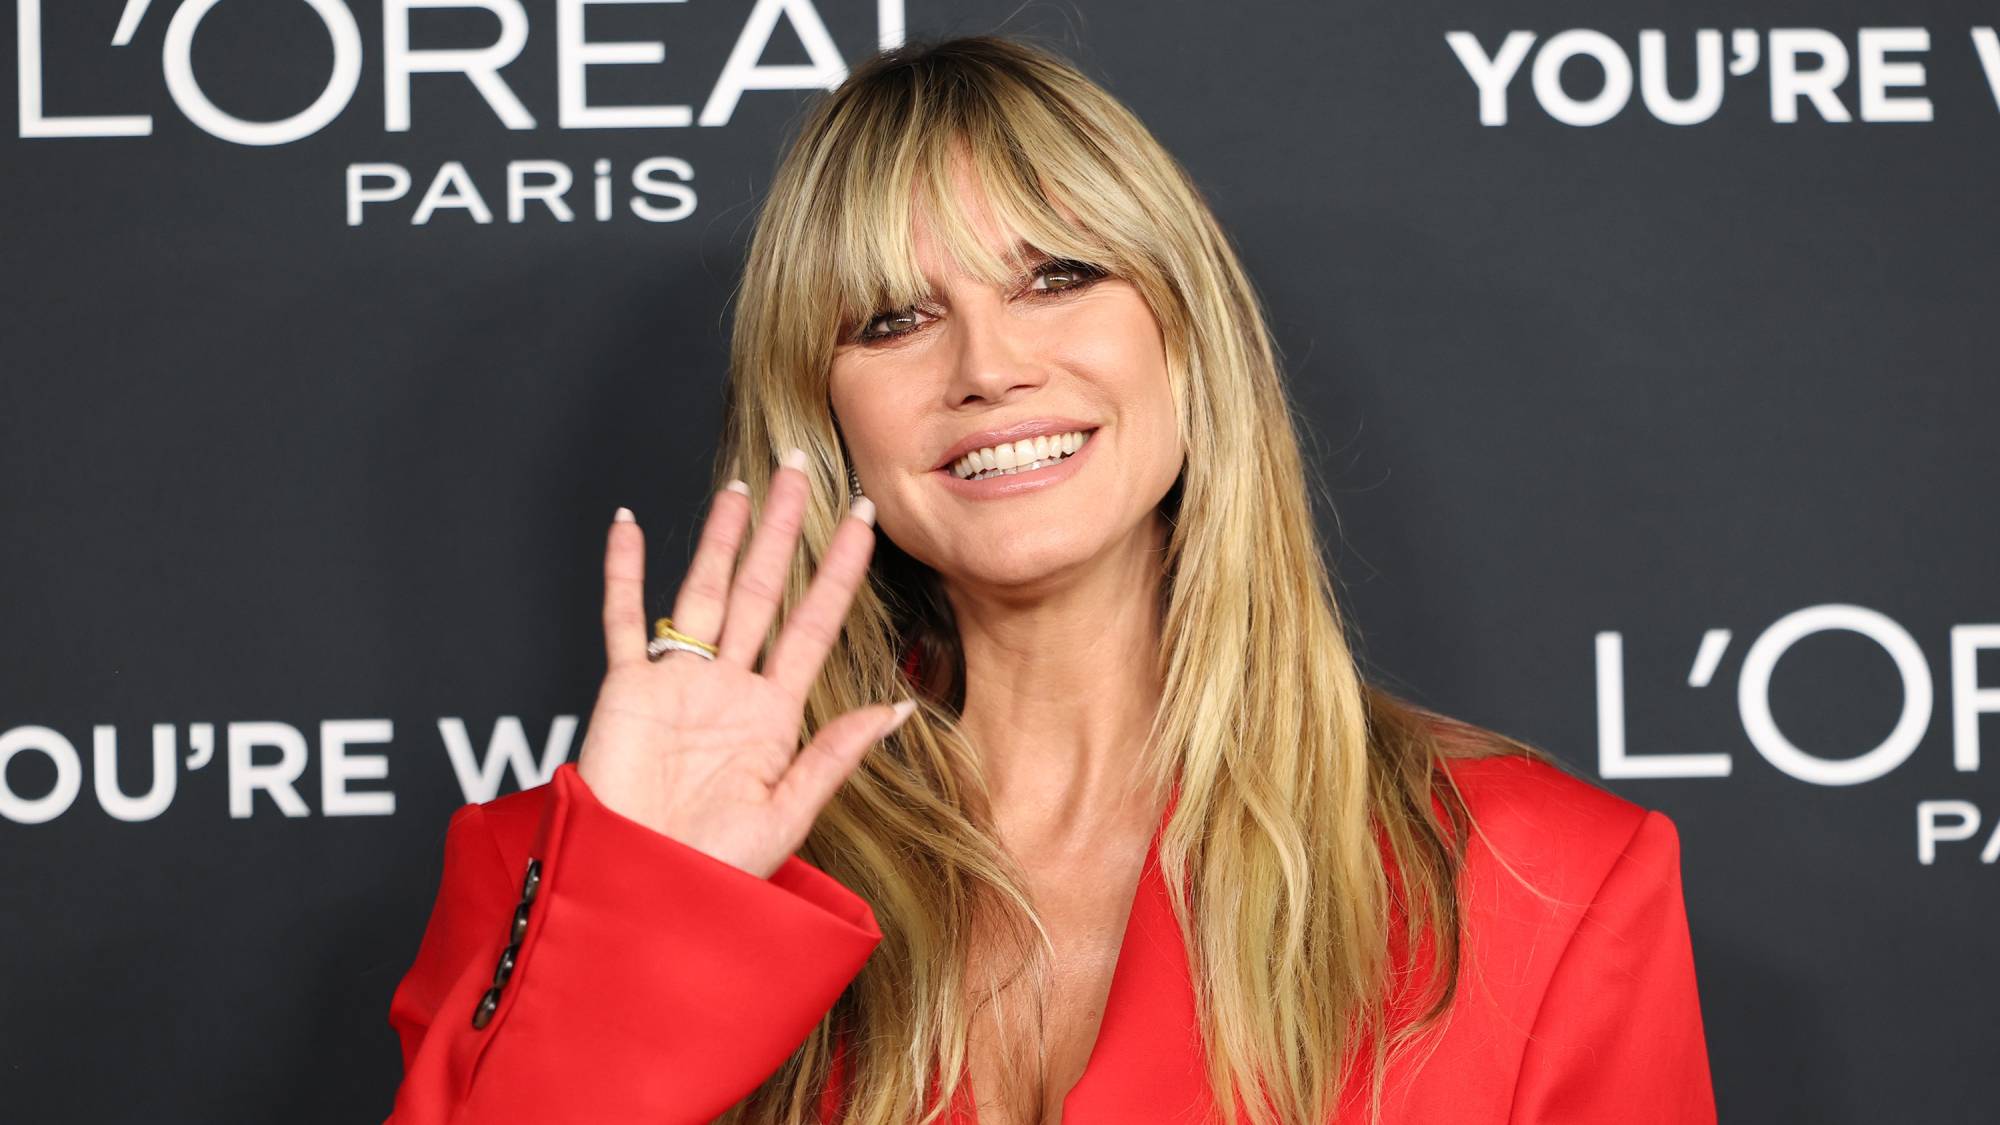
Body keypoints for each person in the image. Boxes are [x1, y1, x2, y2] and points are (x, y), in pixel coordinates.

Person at [381, 34, 1715, 1125]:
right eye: (894, 319)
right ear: (825, 418)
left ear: (1187, 346)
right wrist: (639, 913)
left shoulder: (1541, 880)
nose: (987, 365)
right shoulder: (563, 872)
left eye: (1057, 276)